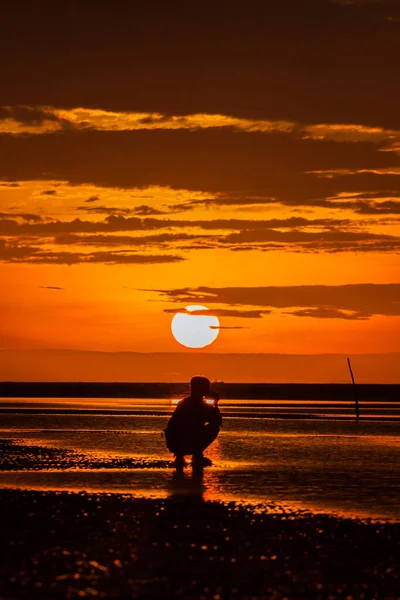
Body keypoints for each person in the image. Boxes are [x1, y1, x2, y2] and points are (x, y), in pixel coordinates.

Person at [165, 376, 222, 470]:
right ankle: (194, 454)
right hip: (180, 441)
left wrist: (215, 404)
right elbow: (217, 422)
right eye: (206, 387)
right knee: (213, 427)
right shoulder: (199, 406)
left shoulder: (184, 403)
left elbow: (217, 421)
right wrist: (215, 404)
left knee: (213, 427)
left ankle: (189, 455)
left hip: (177, 442)